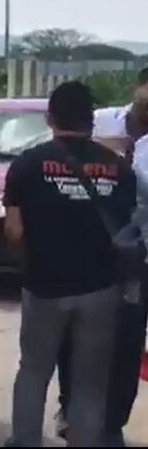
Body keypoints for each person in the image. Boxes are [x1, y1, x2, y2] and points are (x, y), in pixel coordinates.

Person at [4, 81, 138, 447]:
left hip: (44, 286)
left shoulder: (27, 165)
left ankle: (25, 442)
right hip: (101, 289)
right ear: (91, 122)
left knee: (34, 371)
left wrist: (32, 258)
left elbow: (14, 231)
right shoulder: (120, 169)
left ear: (50, 119)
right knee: (90, 380)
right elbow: (128, 226)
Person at [55, 75, 148, 445]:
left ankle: (112, 425)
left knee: (126, 342)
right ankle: (71, 410)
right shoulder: (100, 121)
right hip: (85, 252)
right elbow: (57, 152)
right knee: (73, 336)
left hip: (136, 261)